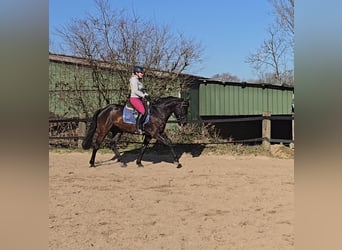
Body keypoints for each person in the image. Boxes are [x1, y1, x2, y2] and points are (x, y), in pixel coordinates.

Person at [129, 66, 149, 134]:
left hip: (139, 98)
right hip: (134, 98)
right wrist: (144, 95)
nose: (142, 74)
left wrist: (147, 94)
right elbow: (135, 91)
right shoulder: (133, 80)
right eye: (141, 73)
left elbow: (141, 90)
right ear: (136, 73)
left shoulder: (138, 80)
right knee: (142, 111)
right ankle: (137, 128)